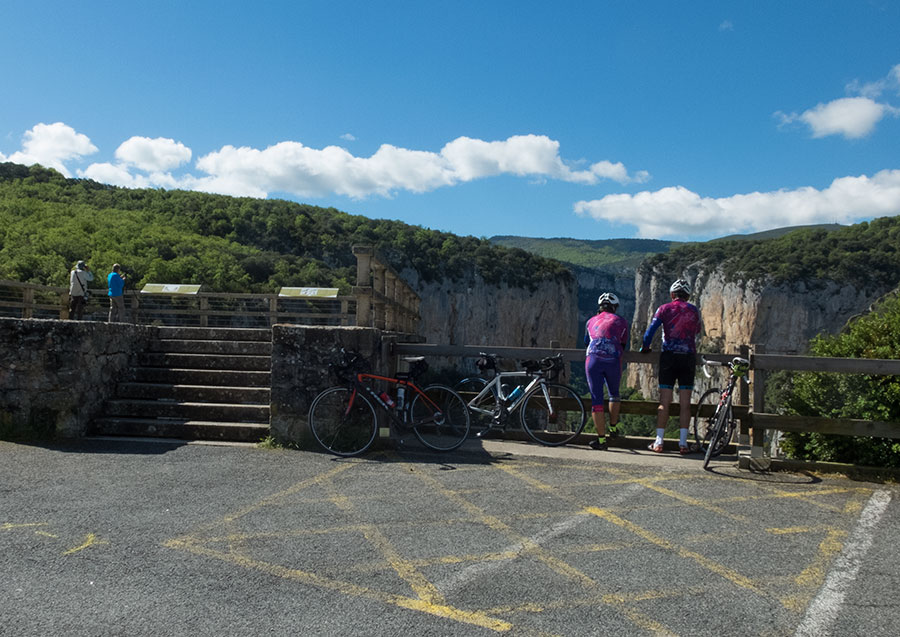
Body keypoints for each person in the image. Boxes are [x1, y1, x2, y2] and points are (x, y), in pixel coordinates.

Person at [640, 279, 702, 455]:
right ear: (687, 296)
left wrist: (645, 347)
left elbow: (650, 332)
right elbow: (697, 330)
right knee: (685, 404)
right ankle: (683, 444)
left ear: (672, 294)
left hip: (669, 357)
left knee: (664, 401)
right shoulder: (694, 310)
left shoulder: (664, 309)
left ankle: (659, 442)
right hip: (688, 357)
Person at [584, 292, 629, 451]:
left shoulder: (590, 321)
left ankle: (602, 441)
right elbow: (623, 344)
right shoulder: (622, 321)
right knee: (614, 394)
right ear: (615, 307)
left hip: (593, 360)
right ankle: (613, 428)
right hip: (613, 359)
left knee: (596, 399)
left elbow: (586, 342)